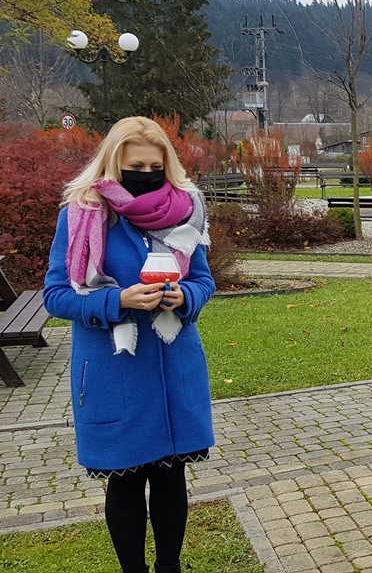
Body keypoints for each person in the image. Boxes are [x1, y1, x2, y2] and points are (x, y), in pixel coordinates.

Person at [43, 116, 215, 573]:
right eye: (136, 164)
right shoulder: (83, 214)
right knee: (124, 483)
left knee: (170, 476)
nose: (146, 173)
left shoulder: (185, 211)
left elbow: (203, 280)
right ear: (114, 162)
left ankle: (169, 567)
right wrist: (116, 300)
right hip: (114, 370)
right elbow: (57, 294)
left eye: (155, 165)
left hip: (174, 366)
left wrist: (186, 296)